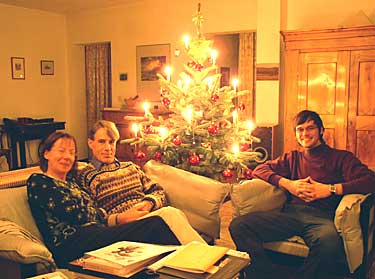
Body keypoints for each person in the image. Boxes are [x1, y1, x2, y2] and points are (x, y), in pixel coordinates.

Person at [229, 110, 375, 279]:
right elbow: (260, 169)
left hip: (322, 219)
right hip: (290, 215)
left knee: (329, 244)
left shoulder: (341, 158)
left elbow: (370, 180)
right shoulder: (292, 158)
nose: (305, 134)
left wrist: (330, 189)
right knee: (239, 225)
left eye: (310, 128)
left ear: (321, 130)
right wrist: (288, 184)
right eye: (300, 129)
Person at [27, 131, 180, 267]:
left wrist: (108, 217)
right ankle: (188, 265)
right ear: (46, 153)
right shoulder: (39, 181)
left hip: (95, 233)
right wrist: (116, 218)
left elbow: (94, 211)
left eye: (72, 152)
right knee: (153, 225)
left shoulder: (72, 182)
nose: (67, 157)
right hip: (70, 244)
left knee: (152, 237)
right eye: (61, 151)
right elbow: (80, 214)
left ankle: (180, 267)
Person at [78, 120, 205, 244]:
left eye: (111, 142)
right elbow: (91, 215)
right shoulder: (87, 175)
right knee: (171, 214)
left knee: (173, 216)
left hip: (150, 219)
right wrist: (119, 218)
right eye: (102, 142)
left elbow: (158, 191)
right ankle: (209, 257)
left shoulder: (130, 167)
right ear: (90, 143)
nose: (108, 148)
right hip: (123, 229)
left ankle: (203, 257)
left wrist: (148, 203)